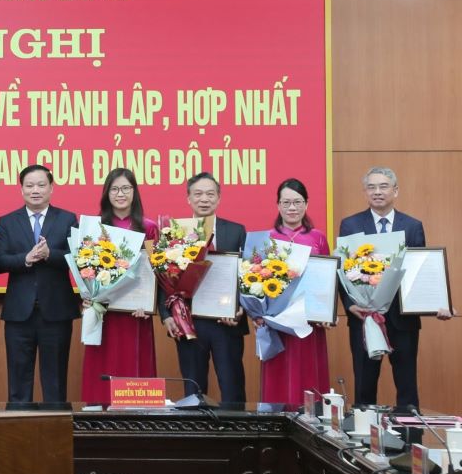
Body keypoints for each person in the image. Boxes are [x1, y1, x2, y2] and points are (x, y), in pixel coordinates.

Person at [338, 166, 451, 409]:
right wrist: (350, 305)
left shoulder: (412, 226)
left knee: (407, 388)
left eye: (383, 186)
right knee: (364, 389)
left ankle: (410, 442)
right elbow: (343, 272)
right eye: (371, 187)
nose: (377, 192)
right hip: (364, 318)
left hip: (403, 319)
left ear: (395, 191)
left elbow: (422, 270)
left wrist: (437, 303)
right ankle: (363, 444)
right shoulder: (350, 224)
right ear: (365, 192)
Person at [160, 172, 248, 404]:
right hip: (189, 320)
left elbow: (247, 275)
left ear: (218, 199)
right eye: (197, 194)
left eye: (210, 194)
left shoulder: (236, 231)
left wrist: (241, 308)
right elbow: (163, 275)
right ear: (188, 199)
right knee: (193, 389)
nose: (204, 199)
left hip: (226, 323)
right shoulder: (175, 232)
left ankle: (238, 437)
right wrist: (166, 314)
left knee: (232, 387)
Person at [0, 164, 78, 405]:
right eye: (29, 185)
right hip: (19, 313)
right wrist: (25, 258)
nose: (35, 190)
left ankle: (56, 431)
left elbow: (79, 259)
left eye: (41, 185)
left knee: (55, 379)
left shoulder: (67, 219)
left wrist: (49, 254)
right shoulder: (8, 221)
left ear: (51, 188)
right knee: (19, 380)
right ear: (21, 189)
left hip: (57, 311)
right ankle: (18, 432)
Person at [81, 169, 158, 406]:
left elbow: (156, 273)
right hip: (104, 313)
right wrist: (88, 295)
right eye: (114, 189)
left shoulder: (149, 228)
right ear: (106, 193)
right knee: (102, 368)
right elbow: (85, 267)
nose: (120, 194)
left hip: (136, 315)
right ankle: (98, 417)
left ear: (134, 192)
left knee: (134, 369)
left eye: (126, 188)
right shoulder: (94, 227)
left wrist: (149, 305)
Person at [260, 178, 331, 406]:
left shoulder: (318, 238)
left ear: (306, 204)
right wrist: (258, 313)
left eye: (298, 202)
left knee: (308, 373)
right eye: (286, 202)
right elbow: (255, 277)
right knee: (278, 373)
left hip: (309, 322)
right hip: (276, 323)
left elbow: (327, 278)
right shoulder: (266, 238)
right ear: (278, 205)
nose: (292, 208)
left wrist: (326, 312)